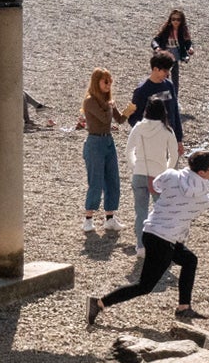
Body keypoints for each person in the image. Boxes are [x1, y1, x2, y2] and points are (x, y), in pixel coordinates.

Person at [87, 150, 209, 327]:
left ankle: (183, 307)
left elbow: (156, 187)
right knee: (145, 286)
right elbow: (187, 215)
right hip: (163, 239)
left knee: (189, 260)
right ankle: (99, 303)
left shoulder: (172, 175)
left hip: (152, 232)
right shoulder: (203, 198)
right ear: (202, 173)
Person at [76, 67, 129, 233]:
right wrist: (110, 105)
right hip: (95, 142)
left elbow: (119, 120)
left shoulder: (107, 101)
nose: (108, 85)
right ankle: (88, 219)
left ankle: (110, 217)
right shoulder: (90, 101)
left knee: (113, 180)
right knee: (96, 181)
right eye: (106, 81)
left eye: (110, 81)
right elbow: (105, 117)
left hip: (108, 141)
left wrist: (130, 110)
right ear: (96, 82)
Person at [125, 96, 177, 254]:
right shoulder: (167, 130)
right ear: (163, 112)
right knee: (161, 212)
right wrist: (166, 171)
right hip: (158, 176)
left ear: (146, 110)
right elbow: (173, 155)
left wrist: (135, 166)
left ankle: (141, 246)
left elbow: (128, 151)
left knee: (141, 212)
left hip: (139, 173)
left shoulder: (139, 127)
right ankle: (161, 245)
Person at [128, 52, 184, 157]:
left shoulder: (169, 85)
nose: (167, 74)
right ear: (155, 69)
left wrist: (179, 139)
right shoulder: (142, 90)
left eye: (169, 71)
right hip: (151, 143)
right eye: (165, 71)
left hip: (170, 139)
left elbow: (175, 112)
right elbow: (133, 119)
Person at [150, 10, 195, 92]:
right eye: (173, 19)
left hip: (176, 56)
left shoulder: (183, 31)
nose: (175, 22)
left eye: (178, 19)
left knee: (175, 78)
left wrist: (190, 48)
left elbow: (188, 42)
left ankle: (174, 97)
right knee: (163, 75)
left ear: (182, 21)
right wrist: (157, 48)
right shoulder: (166, 29)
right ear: (170, 20)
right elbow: (155, 40)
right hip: (165, 55)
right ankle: (163, 93)